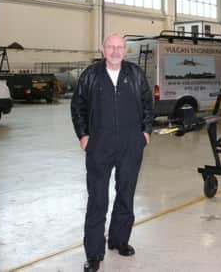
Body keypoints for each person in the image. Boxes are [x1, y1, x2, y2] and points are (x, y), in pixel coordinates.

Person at [71, 34, 153, 272]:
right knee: (97, 198)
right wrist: (84, 135)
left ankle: (119, 240)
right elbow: (78, 106)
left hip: (131, 143)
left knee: (125, 193)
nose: (115, 51)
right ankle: (94, 254)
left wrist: (145, 132)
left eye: (119, 47)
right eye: (110, 47)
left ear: (125, 50)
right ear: (102, 49)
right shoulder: (91, 75)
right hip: (99, 144)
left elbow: (148, 104)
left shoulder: (135, 74)